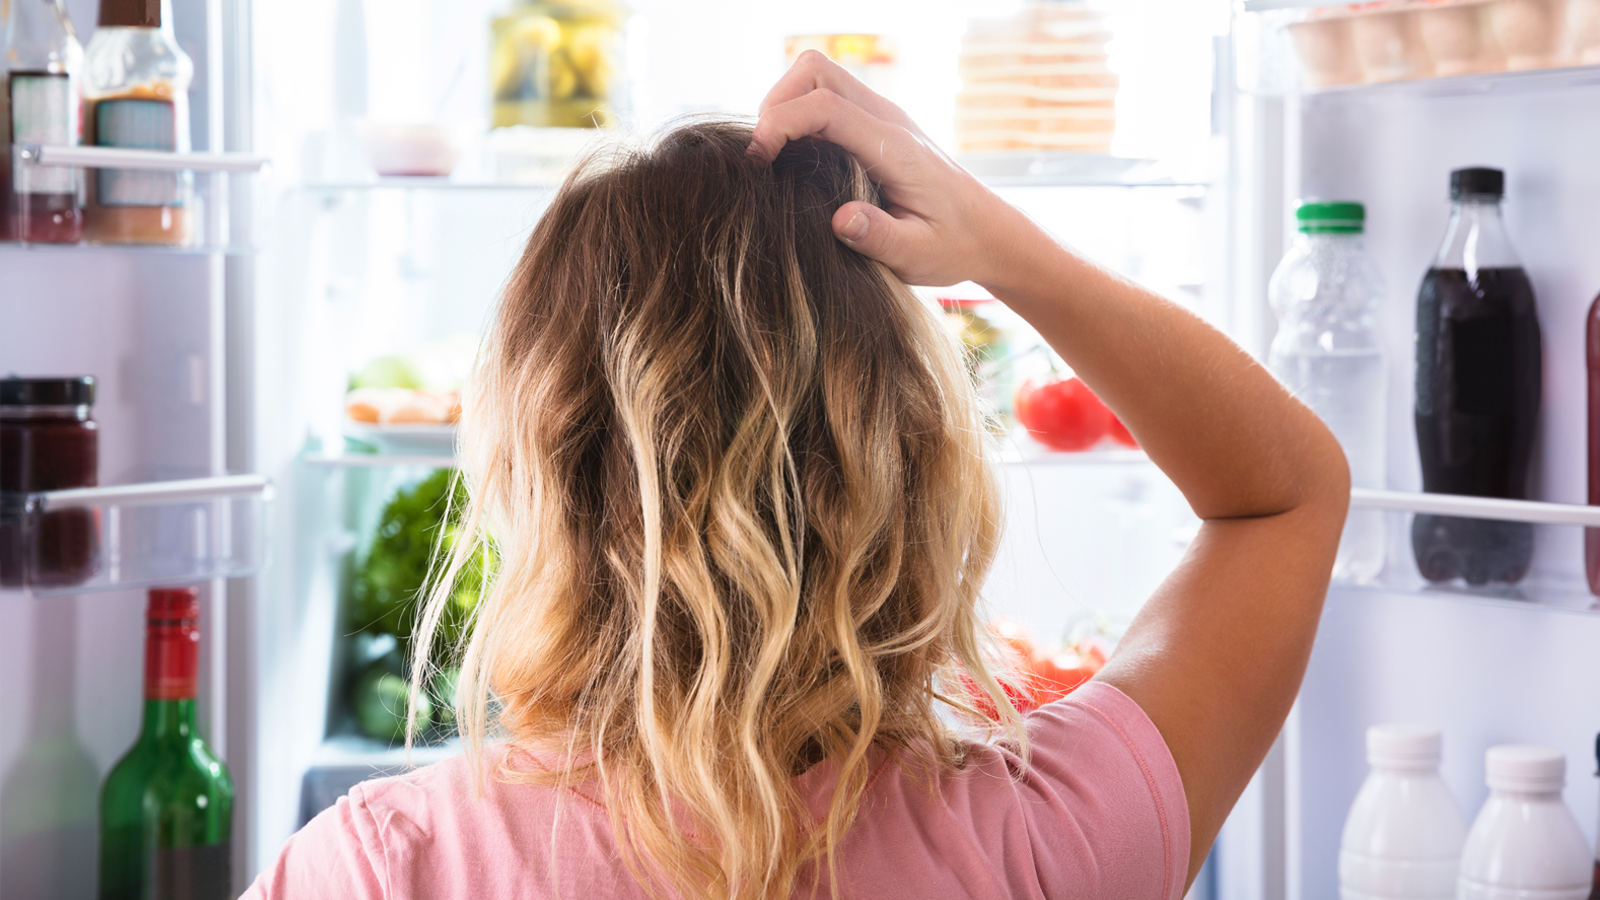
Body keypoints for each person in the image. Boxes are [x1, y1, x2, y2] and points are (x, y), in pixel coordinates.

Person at [244, 53, 1347, 900]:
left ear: (537, 465)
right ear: (912, 456)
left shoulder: (380, 867)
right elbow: (1286, 496)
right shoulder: (1048, 840)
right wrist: (996, 244)